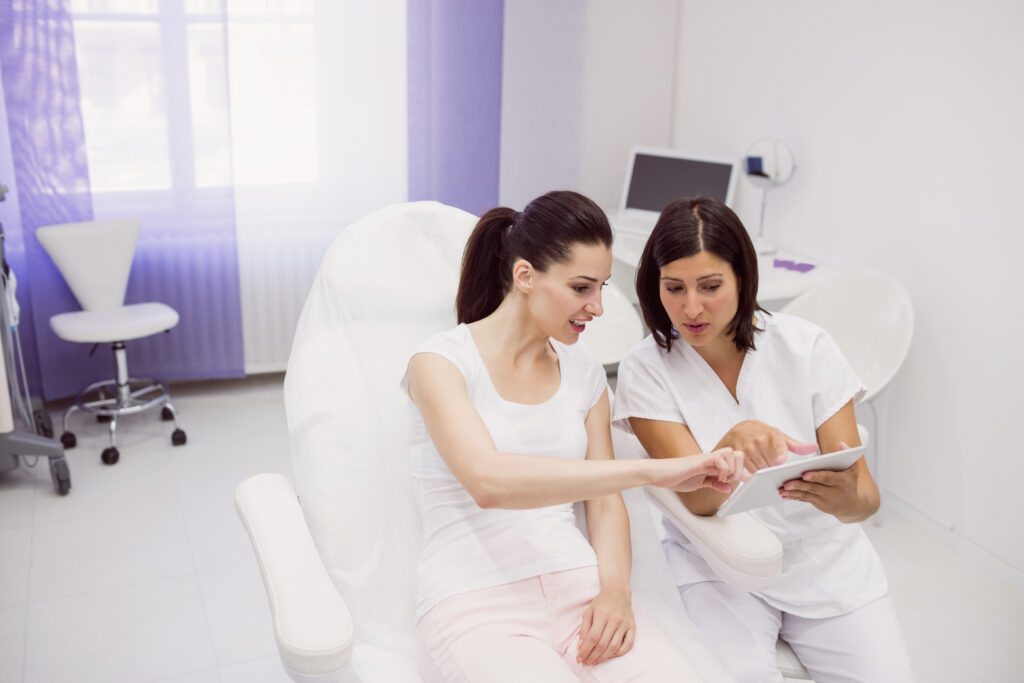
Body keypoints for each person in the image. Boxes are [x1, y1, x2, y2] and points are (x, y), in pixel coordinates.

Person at [402, 190, 747, 682]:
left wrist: (615, 592)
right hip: (473, 599)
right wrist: (655, 472)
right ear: (525, 276)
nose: (599, 307)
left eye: (602, 287)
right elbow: (488, 482)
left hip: (579, 589)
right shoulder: (439, 363)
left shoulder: (584, 375)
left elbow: (604, 503)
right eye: (583, 287)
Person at [611, 196, 916, 682]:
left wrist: (843, 499)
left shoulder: (806, 347)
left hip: (825, 563)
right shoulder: (646, 370)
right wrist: (726, 449)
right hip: (721, 566)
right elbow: (699, 505)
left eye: (710, 286)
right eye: (674, 288)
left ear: (742, 278)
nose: (691, 308)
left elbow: (867, 501)